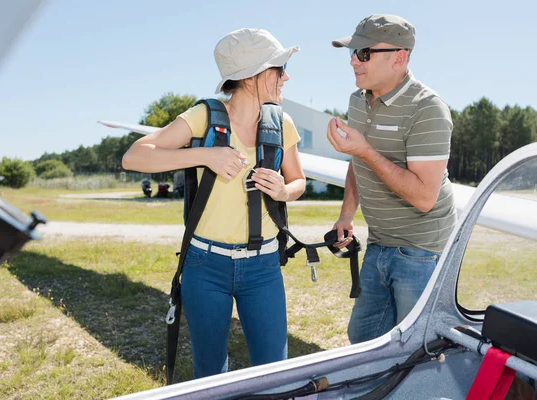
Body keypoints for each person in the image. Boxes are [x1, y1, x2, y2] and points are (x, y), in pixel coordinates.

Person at [122, 28, 305, 378]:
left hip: (263, 266)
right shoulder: (203, 117)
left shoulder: (282, 123)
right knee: (209, 371)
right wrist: (206, 155)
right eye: (279, 69)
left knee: (274, 372)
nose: (286, 77)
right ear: (253, 75)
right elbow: (135, 157)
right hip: (205, 266)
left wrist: (284, 190)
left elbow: (298, 182)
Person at [327, 14, 457, 344]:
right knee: (363, 339)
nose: (354, 61)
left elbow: (425, 197)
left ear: (399, 58)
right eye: (352, 53)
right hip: (379, 242)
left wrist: (365, 150)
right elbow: (358, 161)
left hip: (421, 251)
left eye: (364, 53)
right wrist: (346, 214)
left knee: (416, 348)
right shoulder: (358, 100)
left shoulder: (428, 109)